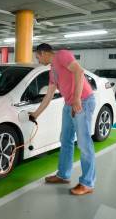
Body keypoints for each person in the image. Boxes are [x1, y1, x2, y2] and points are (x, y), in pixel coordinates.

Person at [30, 43, 96, 195]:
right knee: (65, 139)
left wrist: (77, 99)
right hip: (68, 104)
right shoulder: (52, 71)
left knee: (84, 143)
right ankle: (63, 175)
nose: (38, 60)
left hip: (83, 101)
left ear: (43, 52)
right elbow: (48, 95)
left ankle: (87, 183)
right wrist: (35, 114)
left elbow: (79, 71)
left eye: (37, 56)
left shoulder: (62, 55)